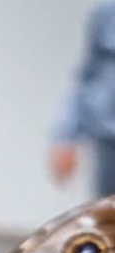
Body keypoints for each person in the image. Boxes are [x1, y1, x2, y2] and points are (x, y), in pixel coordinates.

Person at [50, 0, 115, 196]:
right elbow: (87, 78)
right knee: (106, 219)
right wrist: (66, 137)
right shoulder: (106, 14)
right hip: (109, 144)